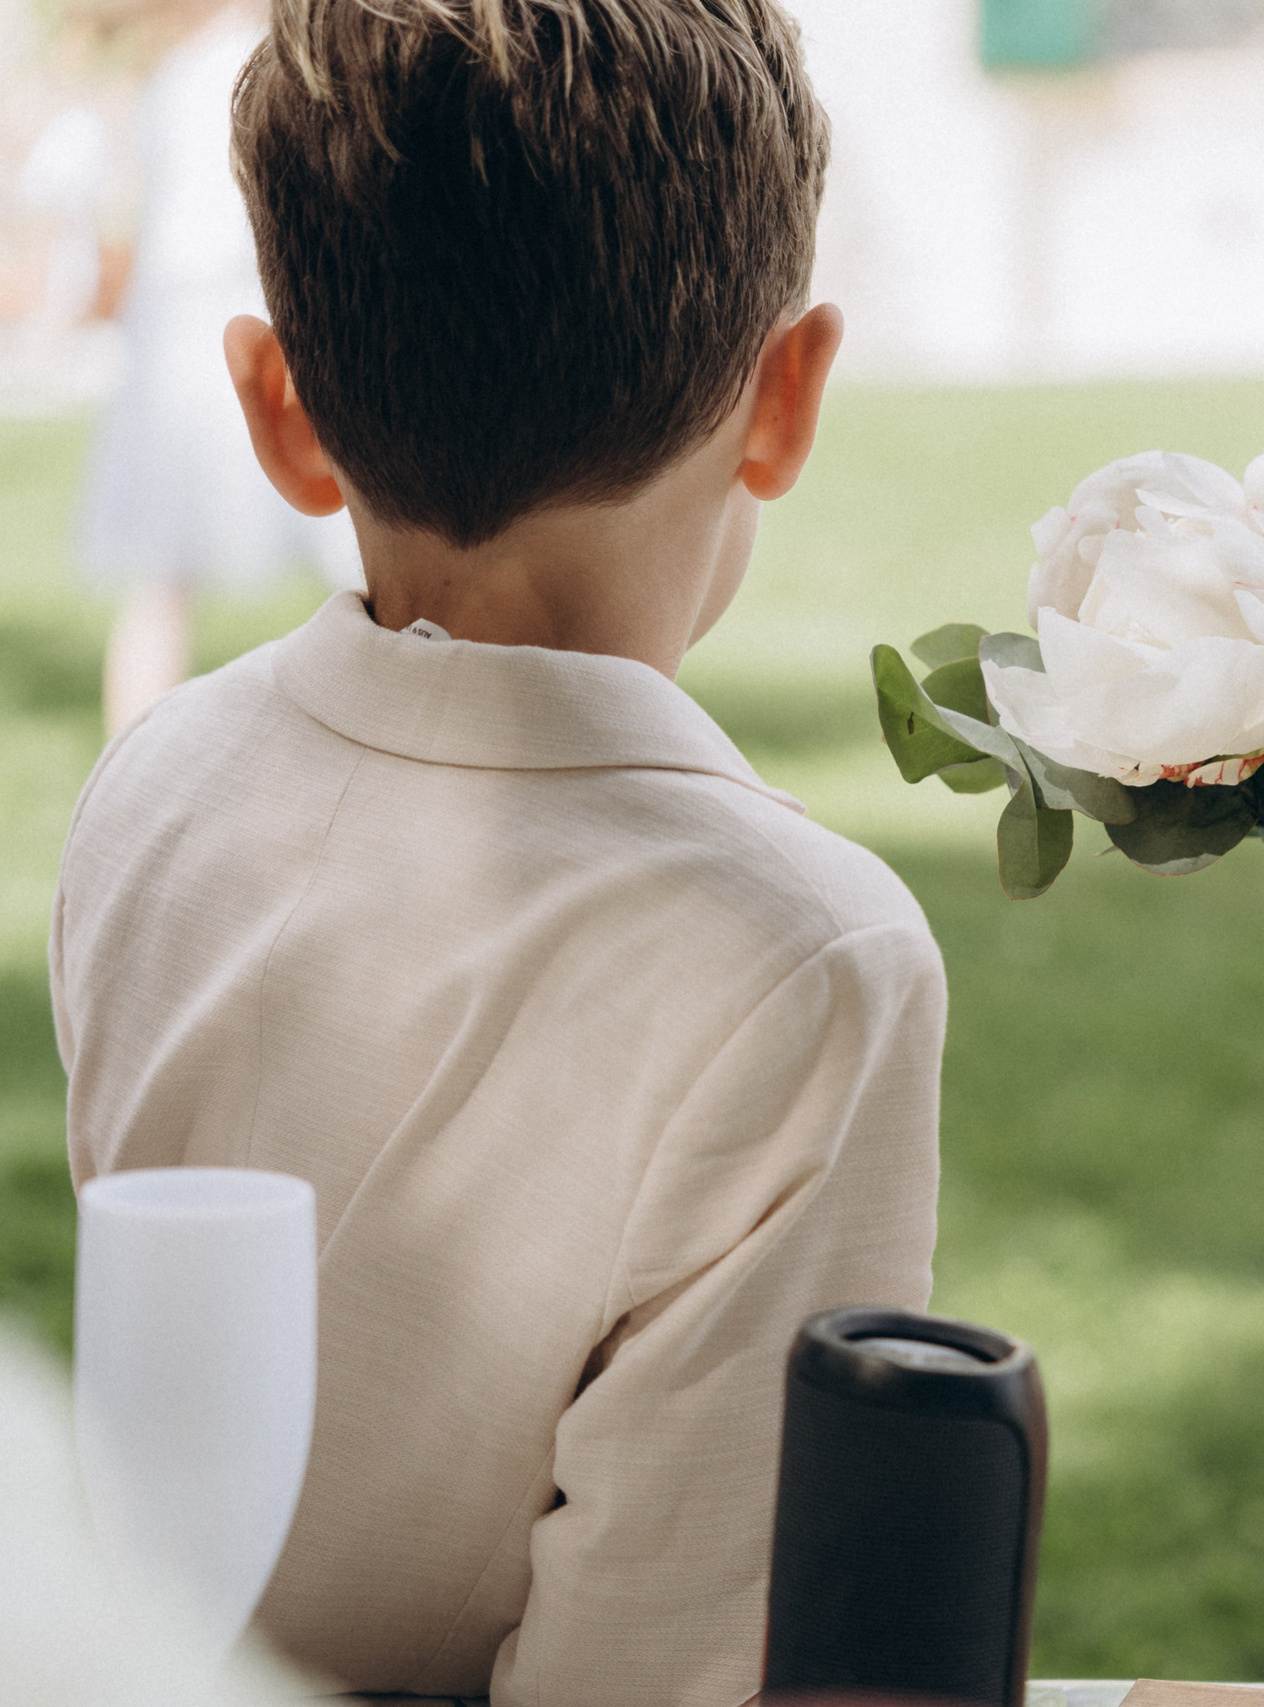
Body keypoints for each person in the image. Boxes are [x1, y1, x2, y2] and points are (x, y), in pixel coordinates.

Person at [48, 3, 944, 1703]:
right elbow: (665, 1651)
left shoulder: (151, 786)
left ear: (278, 411)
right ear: (788, 395)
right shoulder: (814, 958)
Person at [69, 0, 360, 735]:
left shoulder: (179, 73)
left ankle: (127, 745)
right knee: (359, 538)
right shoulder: (282, 67)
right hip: (244, 318)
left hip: (181, 334)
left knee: (163, 578)